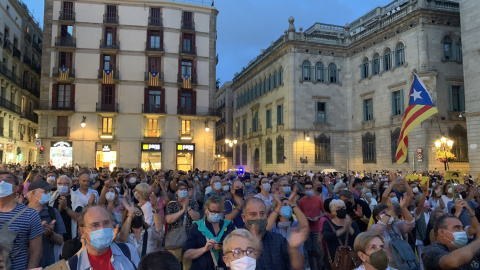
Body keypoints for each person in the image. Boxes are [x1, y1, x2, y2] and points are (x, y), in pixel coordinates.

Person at [242, 197, 307, 270]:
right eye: (253, 214)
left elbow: (298, 267)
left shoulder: (278, 240)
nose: (259, 218)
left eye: (262, 213)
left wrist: (293, 249)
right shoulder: (236, 242)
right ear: (244, 218)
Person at [68, 206, 140, 269]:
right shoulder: (72, 266)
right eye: (95, 225)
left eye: (106, 223)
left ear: (112, 225)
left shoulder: (128, 251)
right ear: (82, 232)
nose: (102, 229)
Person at [0, 171, 43, 269]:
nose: (2, 183)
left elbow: (36, 251)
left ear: (16, 188)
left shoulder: (30, 215)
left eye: (8, 180)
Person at [183, 195, 235, 270]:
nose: (216, 214)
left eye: (218, 212)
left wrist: (223, 248)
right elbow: (186, 254)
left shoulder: (229, 225)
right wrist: (204, 249)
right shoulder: (197, 227)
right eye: (213, 212)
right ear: (206, 210)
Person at [27, 179, 66, 268]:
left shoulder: (53, 212)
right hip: (26, 264)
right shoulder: (22, 213)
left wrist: (51, 234)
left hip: (49, 264)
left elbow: (60, 241)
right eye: (45, 191)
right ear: (33, 193)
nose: (48, 194)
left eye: (49, 192)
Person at [370, 195, 415, 269]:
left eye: (390, 211)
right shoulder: (373, 227)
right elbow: (378, 230)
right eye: (384, 212)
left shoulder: (396, 226)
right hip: (387, 265)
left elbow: (411, 223)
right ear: (377, 217)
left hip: (402, 262)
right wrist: (389, 212)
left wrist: (403, 208)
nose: (389, 214)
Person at [165, 181, 200, 270]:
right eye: (180, 189)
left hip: (190, 238)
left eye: (185, 189)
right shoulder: (171, 203)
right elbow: (168, 220)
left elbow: (197, 218)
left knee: (187, 265)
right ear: (176, 192)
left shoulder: (192, 202)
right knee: (173, 265)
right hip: (175, 240)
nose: (183, 191)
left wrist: (187, 208)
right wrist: (182, 210)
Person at [119, 192, 164, 258]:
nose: (135, 216)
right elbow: (122, 239)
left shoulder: (150, 233)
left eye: (138, 213)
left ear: (143, 216)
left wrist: (155, 208)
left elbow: (159, 231)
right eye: (132, 214)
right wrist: (130, 215)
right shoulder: (126, 235)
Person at [322, 199, 360, 265]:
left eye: (343, 207)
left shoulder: (353, 224)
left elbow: (358, 239)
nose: (341, 209)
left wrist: (349, 227)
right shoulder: (327, 224)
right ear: (333, 211)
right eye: (338, 208)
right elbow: (327, 237)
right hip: (334, 259)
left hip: (350, 259)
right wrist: (344, 229)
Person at [299, 181, 325, 270]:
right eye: (306, 188)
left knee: (317, 251)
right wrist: (305, 218)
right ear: (304, 189)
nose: (308, 190)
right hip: (307, 228)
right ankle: (312, 267)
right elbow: (299, 214)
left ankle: (319, 267)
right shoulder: (302, 201)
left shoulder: (318, 199)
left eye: (310, 188)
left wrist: (319, 216)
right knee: (309, 251)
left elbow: (324, 212)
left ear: (313, 189)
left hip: (317, 227)